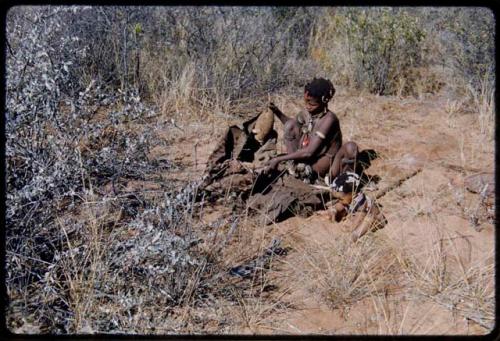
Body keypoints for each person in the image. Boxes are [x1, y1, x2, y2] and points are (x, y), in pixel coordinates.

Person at [264, 77, 359, 184]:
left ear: (324, 101)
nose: (308, 106)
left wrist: (279, 159)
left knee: (351, 147)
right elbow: (291, 126)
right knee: (290, 125)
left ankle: (341, 183)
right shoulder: (308, 113)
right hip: (307, 159)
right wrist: (277, 112)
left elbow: (309, 152)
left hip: (324, 165)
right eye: (306, 102)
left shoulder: (329, 119)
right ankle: (294, 168)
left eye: (312, 104)